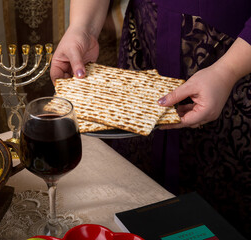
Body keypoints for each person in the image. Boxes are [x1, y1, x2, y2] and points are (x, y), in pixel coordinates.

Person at [50, 0, 251, 238]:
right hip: (146, 43)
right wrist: (81, 27)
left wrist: (227, 71)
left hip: (237, 61)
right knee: (135, 209)